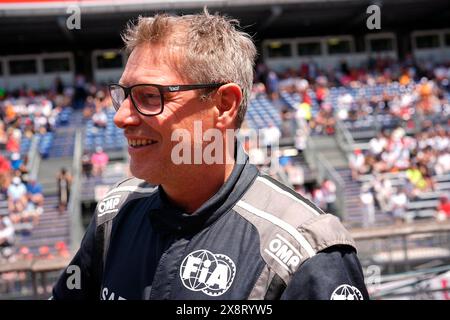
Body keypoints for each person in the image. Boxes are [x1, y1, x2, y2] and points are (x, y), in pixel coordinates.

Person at [52, 10, 368, 300]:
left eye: (149, 96)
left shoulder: (304, 251)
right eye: (122, 96)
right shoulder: (115, 213)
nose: (121, 117)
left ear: (224, 105)